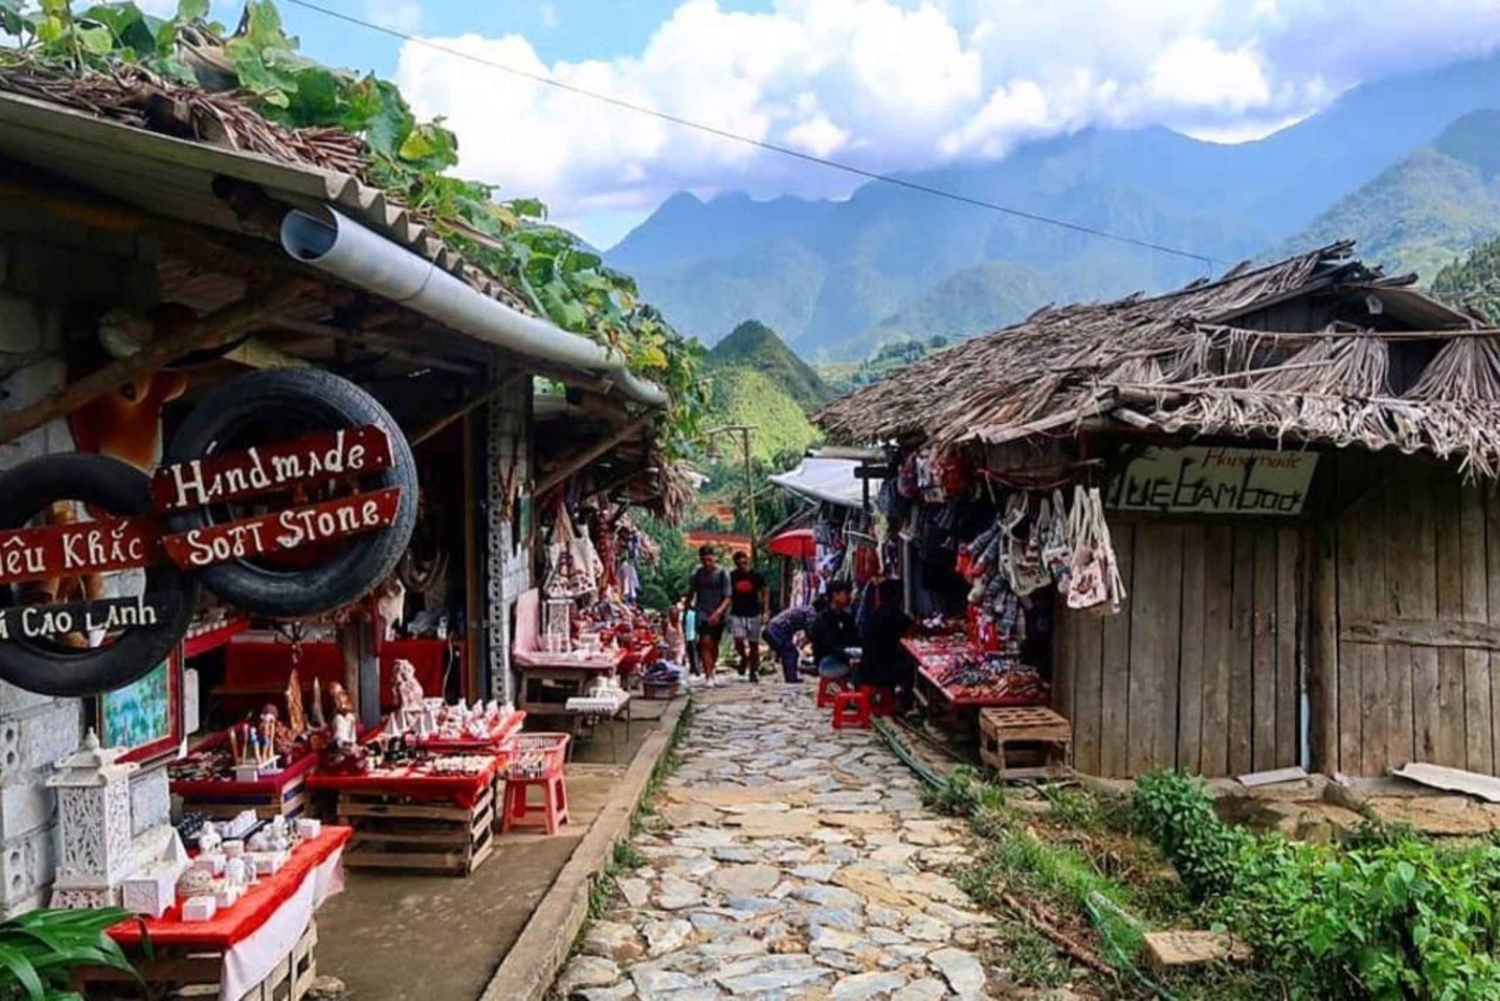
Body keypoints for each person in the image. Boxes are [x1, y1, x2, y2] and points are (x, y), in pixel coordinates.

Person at [858, 578, 915, 709]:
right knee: (911, 668)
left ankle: (894, 699)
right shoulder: (894, 614)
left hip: (867, 669)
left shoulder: (874, 614)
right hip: (881, 673)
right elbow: (911, 627)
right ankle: (905, 705)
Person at [687, 546, 731, 686]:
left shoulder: (723, 573)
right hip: (702, 612)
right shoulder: (697, 574)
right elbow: (691, 591)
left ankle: (712, 667)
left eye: (709, 560)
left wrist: (718, 612)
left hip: (718, 612)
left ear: (714, 558)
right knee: (704, 642)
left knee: (714, 644)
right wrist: (687, 606)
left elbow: (728, 597)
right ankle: (708, 675)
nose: (707, 563)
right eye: (704, 560)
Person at [727, 550, 769, 682]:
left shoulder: (756, 576)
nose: (742, 564)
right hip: (737, 613)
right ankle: (744, 658)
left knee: (753, 644)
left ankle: (753, 671)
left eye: (744, 562)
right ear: (736, 564)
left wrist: (765, 610)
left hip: (754, 613)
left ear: (747, 560)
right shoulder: (732, 576)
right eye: (739, 563)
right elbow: (727, 595)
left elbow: (764, 591)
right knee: (738, 641)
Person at [764, 596, 825, 684]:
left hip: (772, 629)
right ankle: (791, 678)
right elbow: (811, 632)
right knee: (791, 653)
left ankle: (791, 676)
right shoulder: (811, 612)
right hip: (776, 631)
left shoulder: (805, 609)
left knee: (788, 652)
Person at [809, 581, 857, 680]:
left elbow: (854, 638)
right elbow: (827, 645)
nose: (849, 597)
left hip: (846, 658)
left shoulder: (847, 618)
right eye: (845, 593)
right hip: (828, 660)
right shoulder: (822, 619)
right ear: (835, 595)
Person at [681, 595, 700, 675]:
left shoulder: (695, 612)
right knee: (690, 653)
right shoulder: (685, 613)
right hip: (688, 635)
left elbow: (697, 624)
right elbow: (683, 624)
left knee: (694, 652)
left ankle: (696, 669)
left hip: (693, 635)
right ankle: (693, 668)